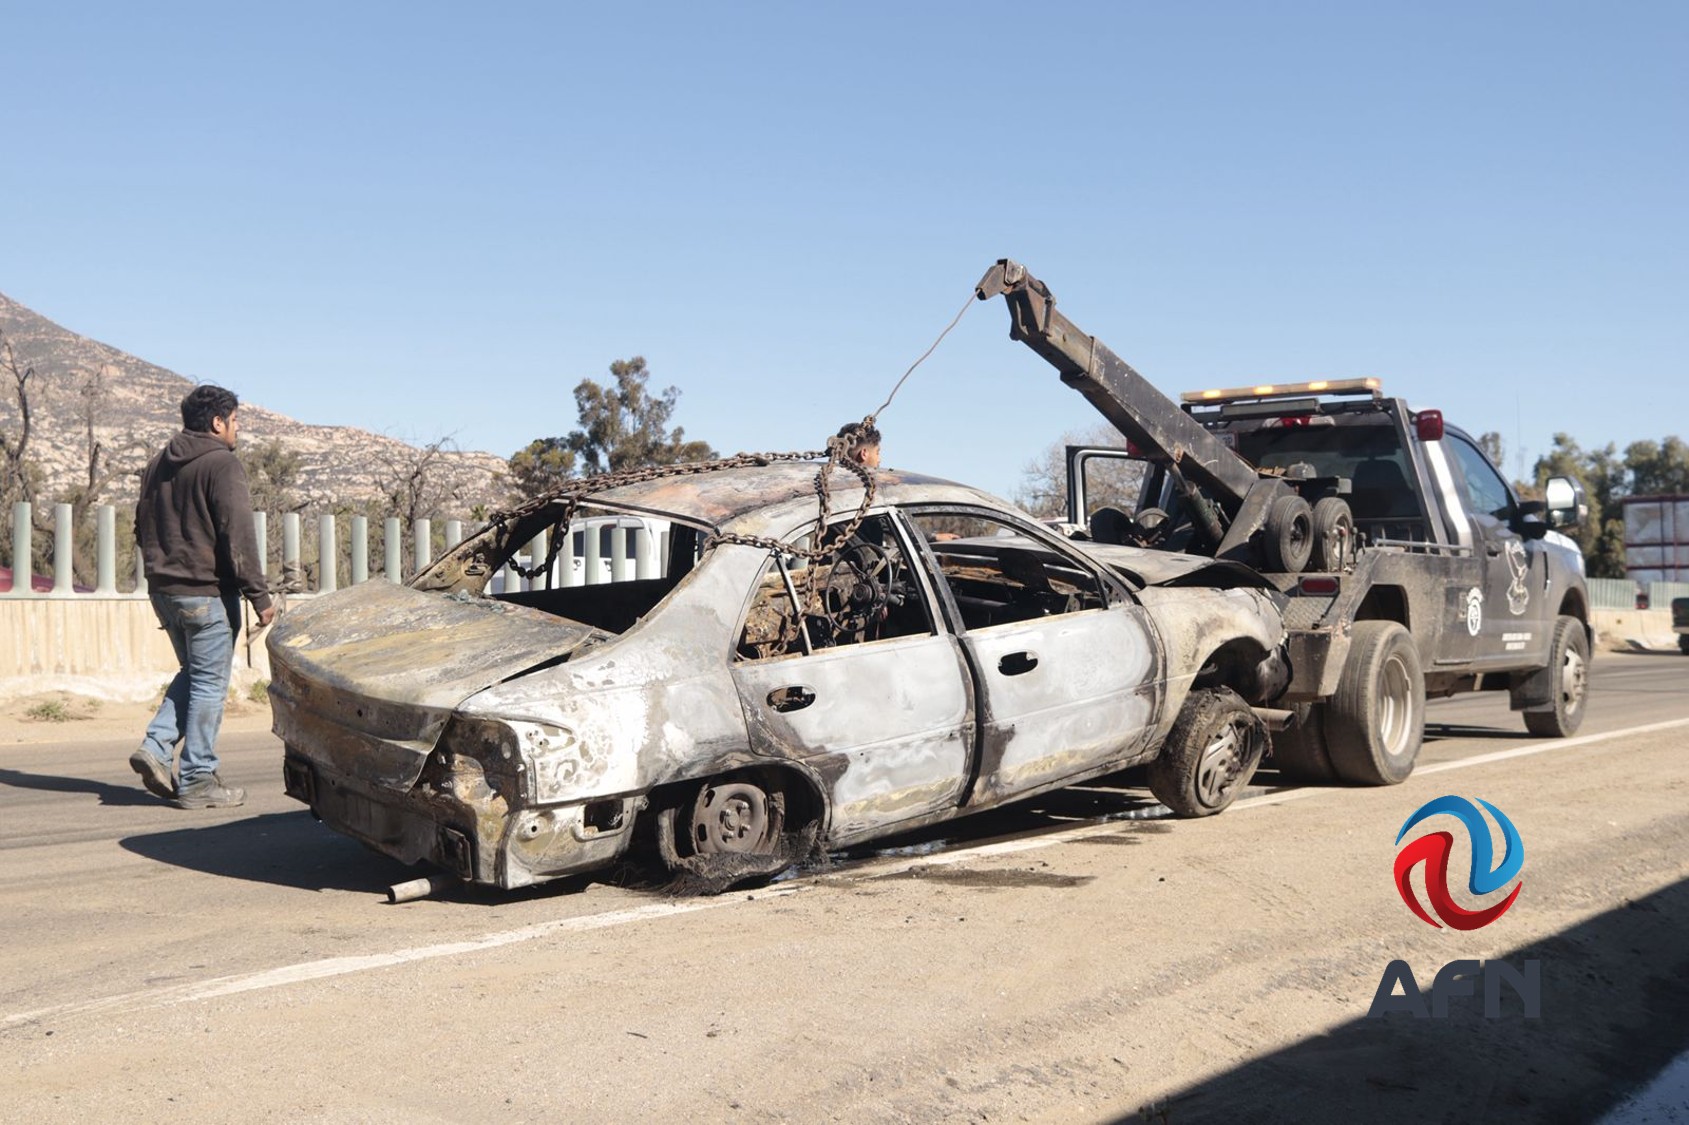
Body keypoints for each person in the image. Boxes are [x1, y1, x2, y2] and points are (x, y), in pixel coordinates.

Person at [130, 384, 275, 809]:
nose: (237, 428)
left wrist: (163, 568)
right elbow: (238, 536)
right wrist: (260, 597)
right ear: (217, 422)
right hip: (206, 596)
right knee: (210, 685)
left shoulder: (158, 462)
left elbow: (140, 526)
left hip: (163, 591)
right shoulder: (222, 464)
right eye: (235, 420)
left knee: (195, 674)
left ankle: (156, 747)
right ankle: (197, 778)